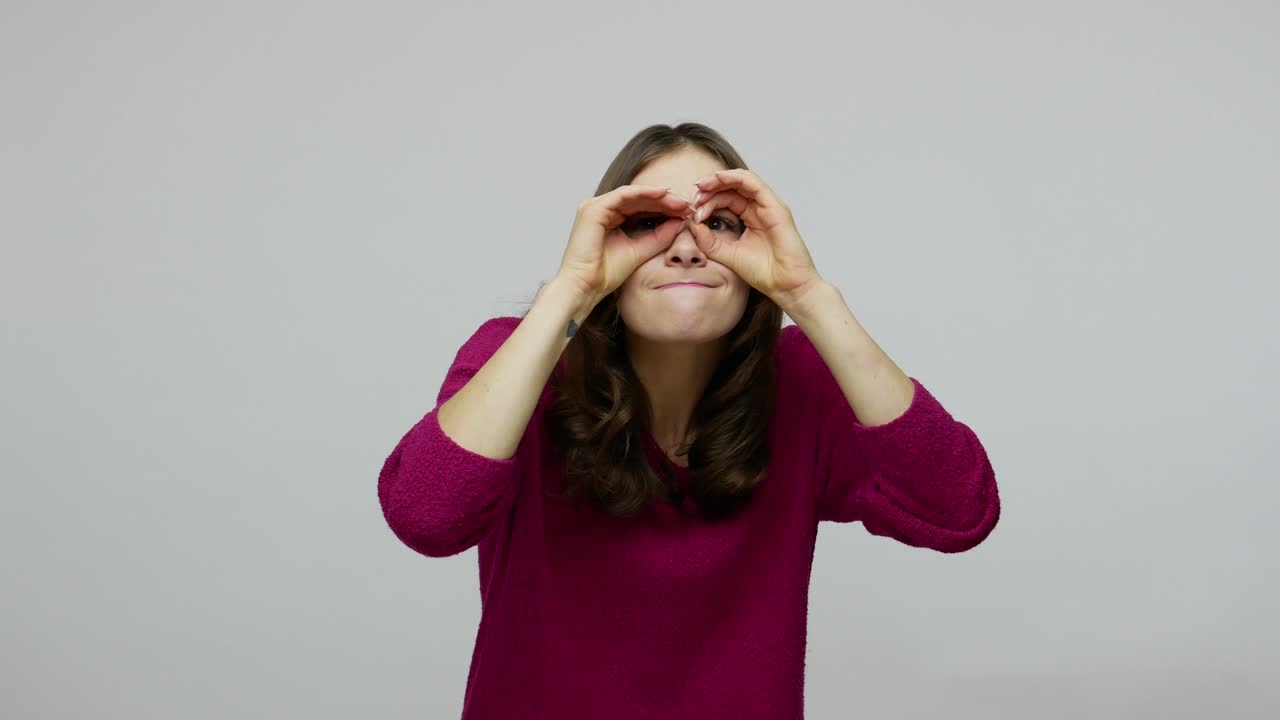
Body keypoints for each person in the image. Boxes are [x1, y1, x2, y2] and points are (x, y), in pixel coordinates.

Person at [377, 122, 1001, 718]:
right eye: (647, 225)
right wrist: (571, 291)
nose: (683, 249)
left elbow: (959, 510)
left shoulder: (806, 385)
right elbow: (427, 518)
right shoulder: (518, 362)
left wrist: (806, 294)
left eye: (719, 225)